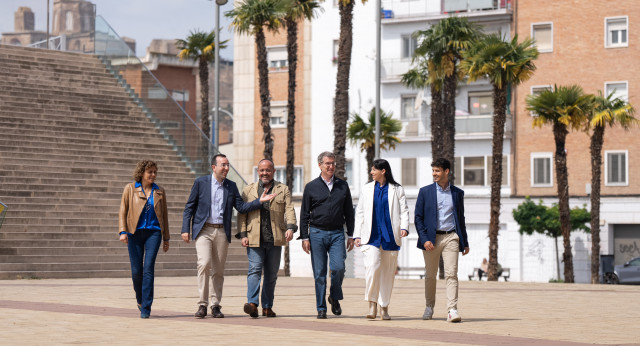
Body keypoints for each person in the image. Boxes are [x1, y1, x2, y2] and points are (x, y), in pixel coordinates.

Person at [181, 154, 275, 319]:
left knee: (218, 269)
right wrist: (185, 229)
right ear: (214, 167)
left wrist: (259, 202)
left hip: (222, 231)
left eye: (227, 165)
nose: (226, 168)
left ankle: (215, 305)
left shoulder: (231, 186)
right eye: (223, 165)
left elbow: (241, 207)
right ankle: (202, 304)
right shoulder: (200, 183)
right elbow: (189, 207)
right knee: (204, 264)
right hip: (204, 229)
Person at [237, 159, 297, 318]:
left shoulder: (282, 189)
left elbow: (289, 210)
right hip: (254, 238)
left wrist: (290, 228)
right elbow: (242, 214)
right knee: (254, 270)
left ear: (274, 171)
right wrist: (243, 234)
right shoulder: (248, 190)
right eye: (262, 170)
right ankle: (252, 304)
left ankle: (267, 306)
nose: (265, 173)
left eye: (268, 170)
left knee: (271, 274)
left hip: (275, 238)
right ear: (258, 172)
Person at [299, 151, 355, 319]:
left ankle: (334, 296)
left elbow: (349, 212)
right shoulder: (311, 187)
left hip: (337, 233)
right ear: (320, 165)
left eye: (333, 163)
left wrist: (351, 235)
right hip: (316, 233)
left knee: (339, 268)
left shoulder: (342, 186)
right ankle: (321, 308)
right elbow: (304, 214)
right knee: (320, 273)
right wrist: (304, 237)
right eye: (327, 164)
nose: (331, 166)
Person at [415, 158, 469, 323]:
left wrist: (464, 242)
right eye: (433, 171)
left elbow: (461, 218)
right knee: (431, 275)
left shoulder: (457, 193)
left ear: (447, 171)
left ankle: (452, 310)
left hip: (451, 237)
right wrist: (424, 239)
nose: (434, 174)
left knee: (452, 274)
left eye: (437, 171)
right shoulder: (425, 192)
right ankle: (429, 306)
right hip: (431, 240)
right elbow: (418, 218)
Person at [354, 159, 409, 320]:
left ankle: (384, 306)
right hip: (371, 236)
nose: (371, 172)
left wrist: (404, 227)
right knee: (372, 266)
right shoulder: (366, 189)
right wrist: (357, 234)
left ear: (383, 171)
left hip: (390, 237)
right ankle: (372, 304)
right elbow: (360, 212)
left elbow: (404, 210)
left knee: (387, 273)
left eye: (374, 170)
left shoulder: (397, 189)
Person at [118, 160, 170, 319]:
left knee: (148, 269)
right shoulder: (130, 188)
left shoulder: (160, 191)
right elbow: (123, 210)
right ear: (142, 173)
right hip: (134, 233)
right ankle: (140, 299)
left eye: (155, 172)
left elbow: (165, 216)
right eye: (150, 172)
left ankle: (146, 307)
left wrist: (166, 237)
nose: (153, 175)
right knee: (136, 271)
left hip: (153, 233)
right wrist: (123, 231)